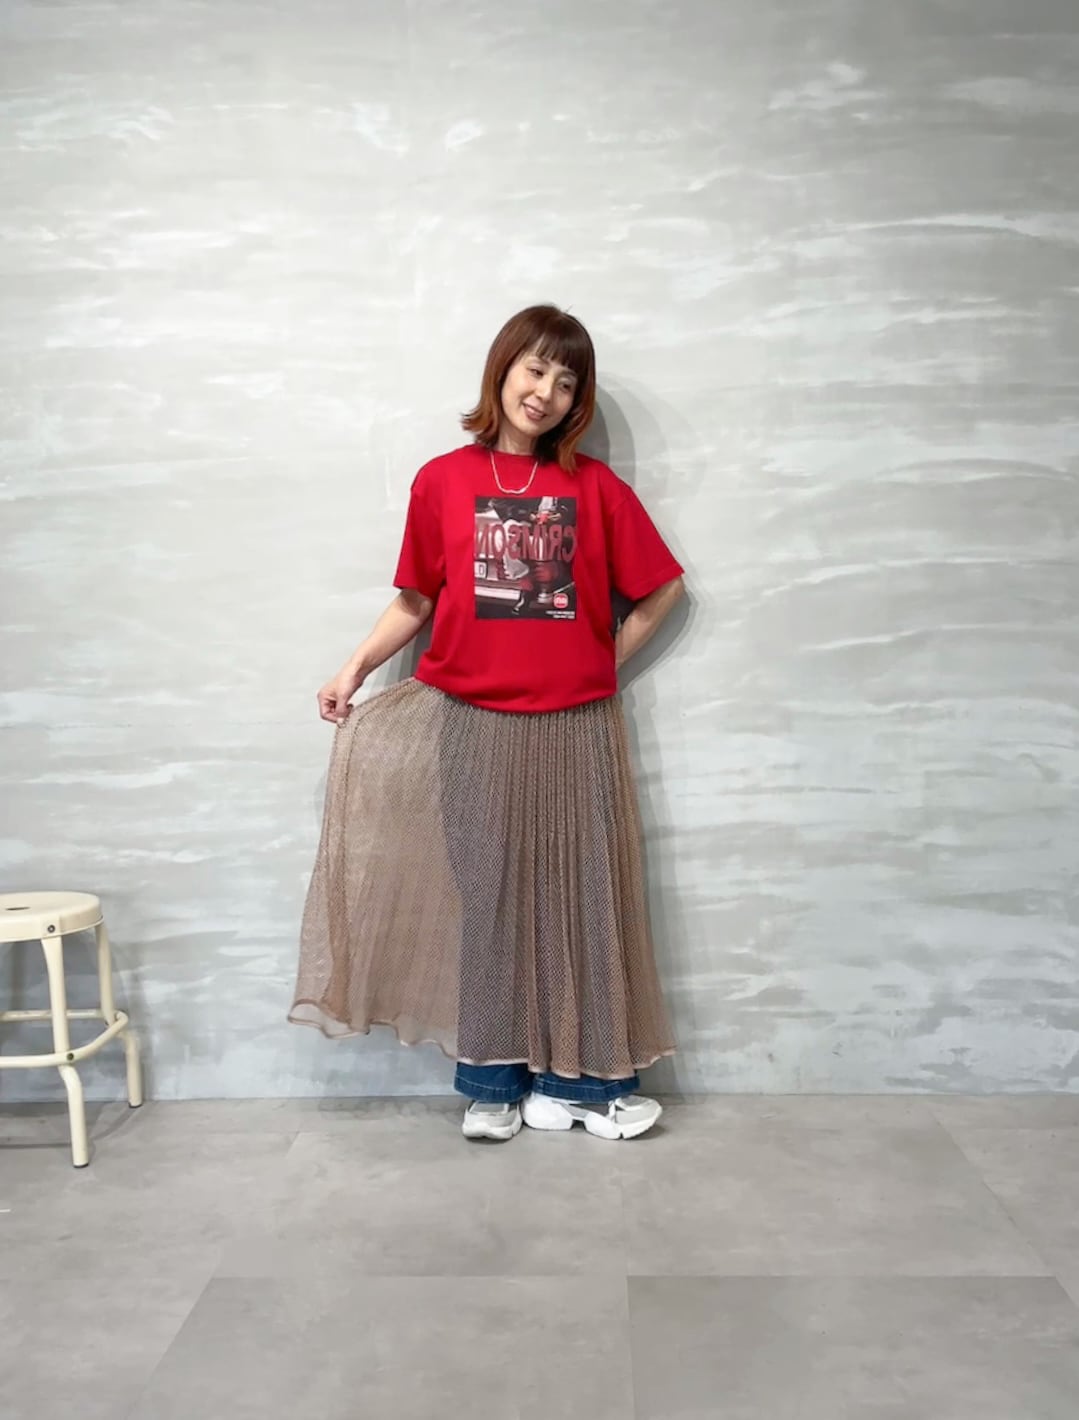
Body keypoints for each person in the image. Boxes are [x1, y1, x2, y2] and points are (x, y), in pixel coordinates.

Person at [289, 304, 685, 1142]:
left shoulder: (595, 489)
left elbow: (662, 591)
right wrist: (352, 668)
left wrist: (598, 662)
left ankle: (573, 1086)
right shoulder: (442, 481)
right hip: (469, 722)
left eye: (566, 382)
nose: (545, 392)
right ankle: (493, 1087)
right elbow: (415, 600)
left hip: (576, 727)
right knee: (489, 901)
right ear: (503, 369)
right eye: (535, 369)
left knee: (581, 901)